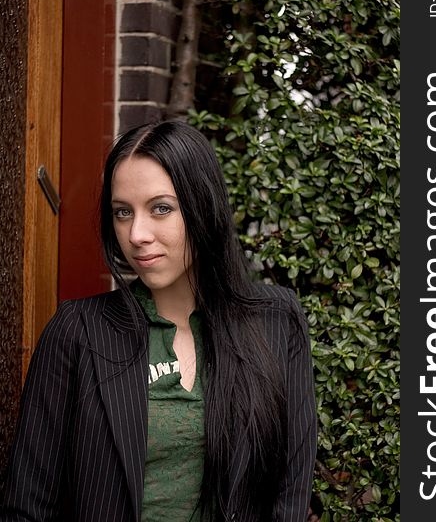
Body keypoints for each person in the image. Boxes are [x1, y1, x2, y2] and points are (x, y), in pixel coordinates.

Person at [1, 118, 317, 522]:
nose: (137, 234)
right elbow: (26, 507)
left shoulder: (275, 321)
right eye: (122, 212)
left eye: (160, 209)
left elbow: (290, 497)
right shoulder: (78, 331)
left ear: (202, 206)